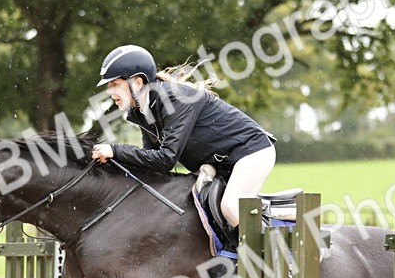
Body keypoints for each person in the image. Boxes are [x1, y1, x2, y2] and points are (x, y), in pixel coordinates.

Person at [89, 45, 276, 237]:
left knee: (229, 207)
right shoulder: (142, 112)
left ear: (137, 82)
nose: (109, 92)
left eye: (114, 85)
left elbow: (166, 159)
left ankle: (274, 255)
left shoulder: (175, 99)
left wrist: (116, 150)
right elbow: (152, 164)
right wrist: (112, 164)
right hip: (220, 163)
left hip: (251, 152)